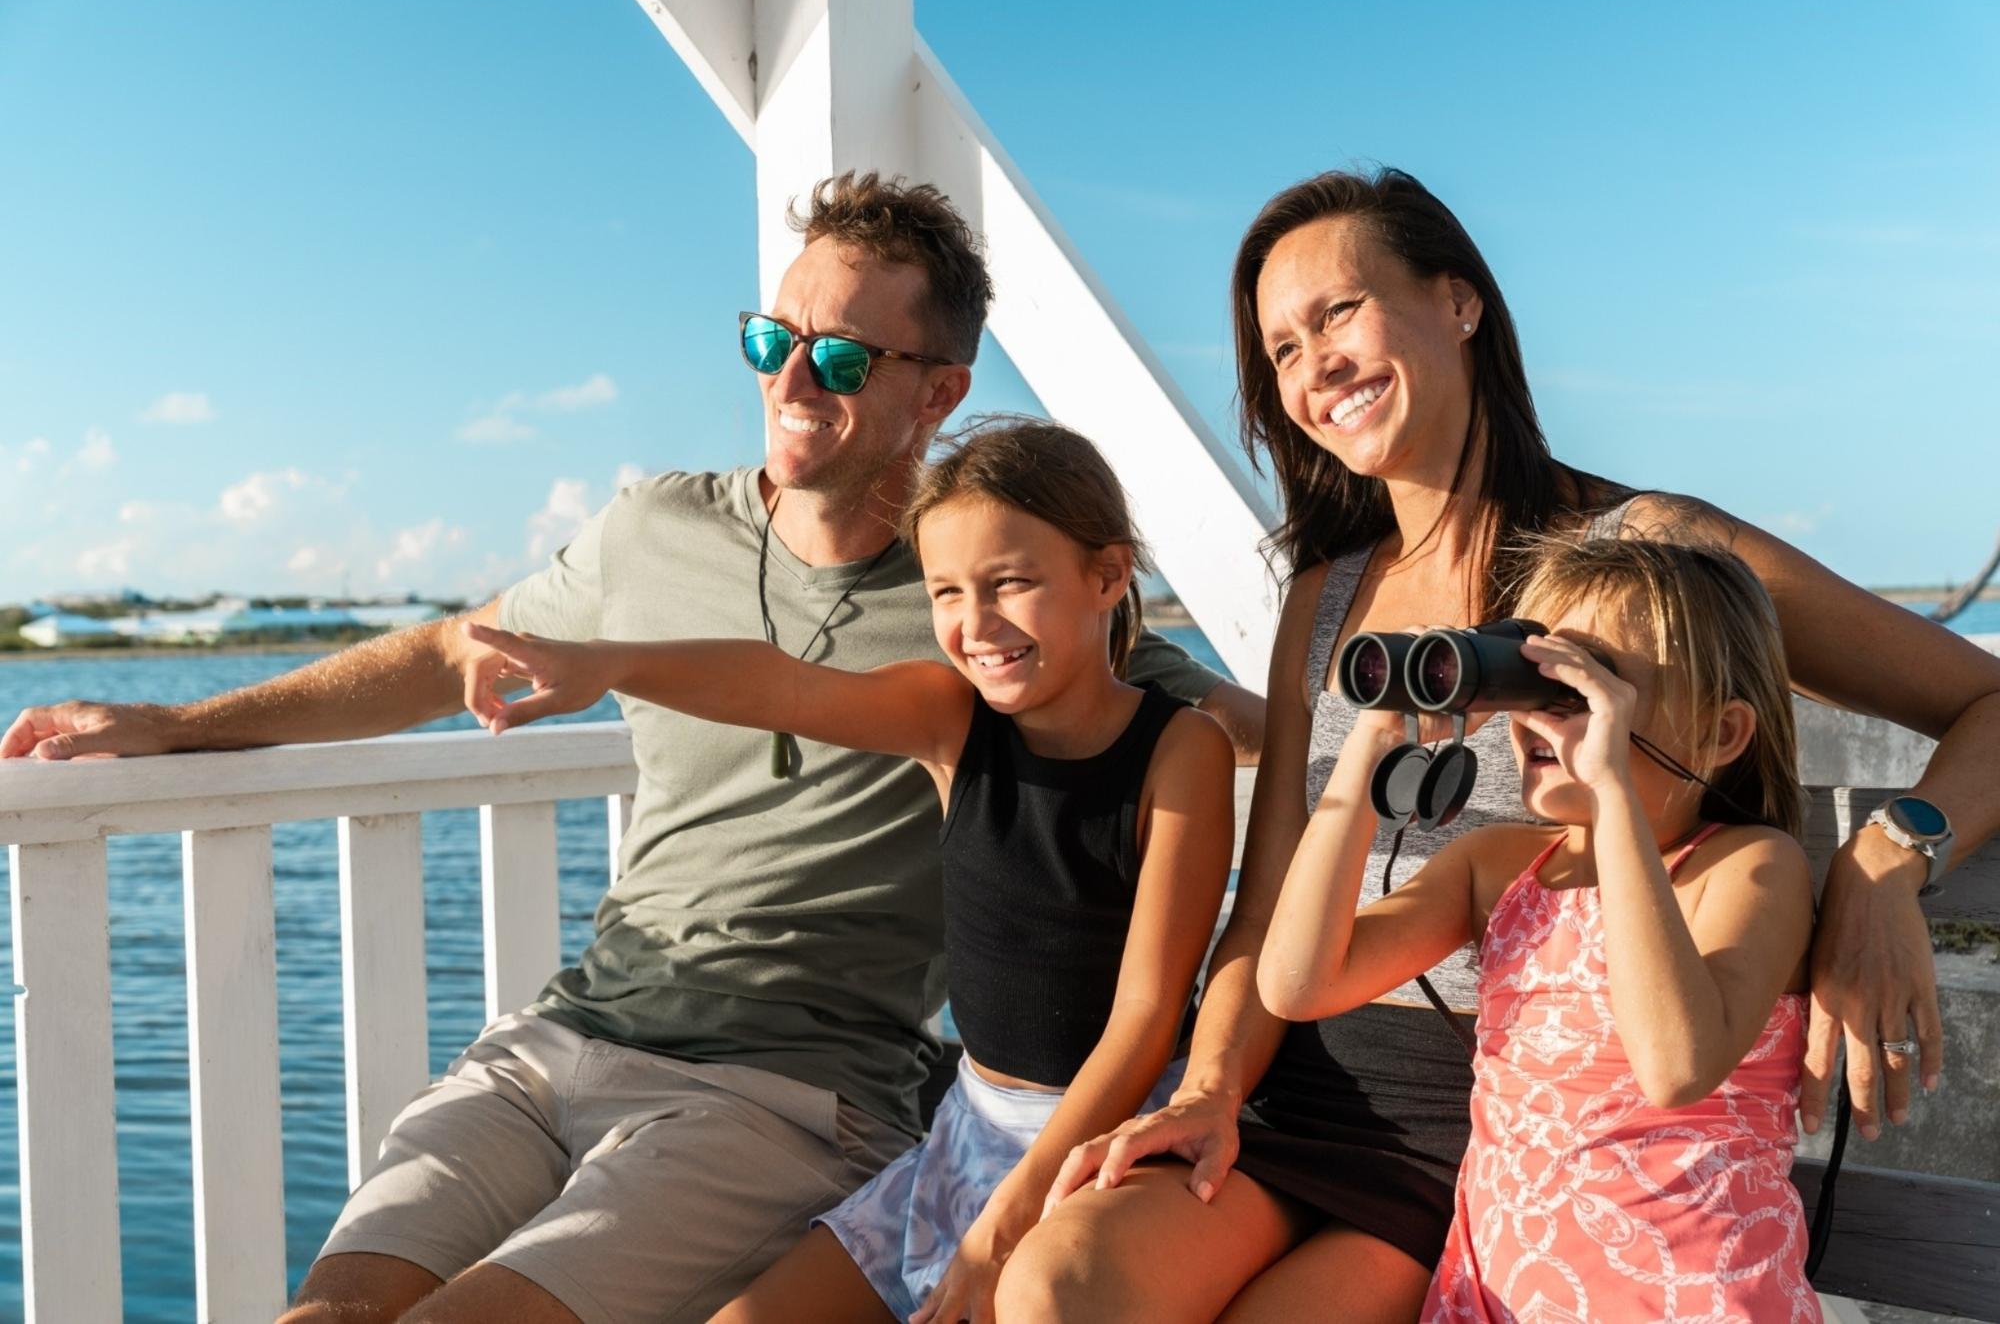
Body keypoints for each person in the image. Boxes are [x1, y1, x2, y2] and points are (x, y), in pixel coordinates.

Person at [0, 173, 1263, 1324]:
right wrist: (175, 724)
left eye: (837, 357)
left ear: (938, 391)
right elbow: (450, 652)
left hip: (785, 1093)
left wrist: (1388, 731)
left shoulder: (1002, 617)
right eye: (769, 341)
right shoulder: (651, 529)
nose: (790, 381)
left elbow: (1246, 727)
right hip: (559, 1040)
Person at [999, 167, 2000, 1323]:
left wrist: (1883, 859)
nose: (1312, 364)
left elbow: (1982, 700)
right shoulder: (1324, 599)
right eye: (1279, 349)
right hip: (1301, 1086)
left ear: (1458, 301)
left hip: (1500, 1126)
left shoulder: (1645, 561)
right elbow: (1266, 901)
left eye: (1336, 312)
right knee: (1060, 1286)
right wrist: (1211, 1085)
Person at [460, 419, 1235, 1324]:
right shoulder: (954, 720)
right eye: (946, 591)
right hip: (965, 1136)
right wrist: (608, 663)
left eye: (1010, 583)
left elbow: (1145, 1017)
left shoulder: (1182, 750)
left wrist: (1002, 1224)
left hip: (1101, 1146)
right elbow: (780, 684)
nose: (975, 624)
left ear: (1107, 575)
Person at [1259, 536, 1819, 1322]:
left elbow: (1675, 1066)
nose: (1543, 708)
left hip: (1690, 1300)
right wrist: (1371, 742)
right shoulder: (1495, 867)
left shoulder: (1749, 868)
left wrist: (1612, 786)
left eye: (1586, 682)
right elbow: (1298, 982)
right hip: (1497, 1297)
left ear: (1721, 733)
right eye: (1534, 673)